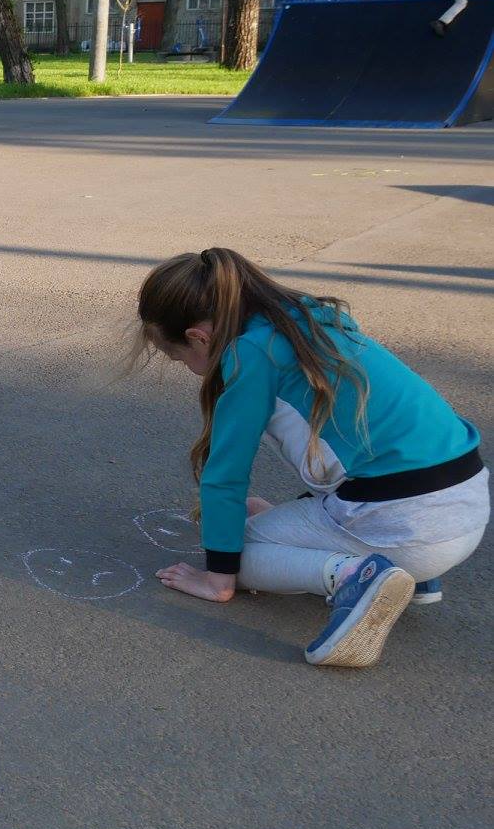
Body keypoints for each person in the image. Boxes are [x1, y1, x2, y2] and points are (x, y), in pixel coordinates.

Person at [136, 248, 486, 669]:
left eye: (180, 358)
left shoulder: (249, 354)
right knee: (267, 517)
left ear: (198, 337)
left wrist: (217, 578)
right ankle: (415, 575)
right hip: (466, 503)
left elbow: (225, 476)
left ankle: (357, 577)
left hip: (405, 523)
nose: (192, 369)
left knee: (236, 546)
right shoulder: (307, 319)